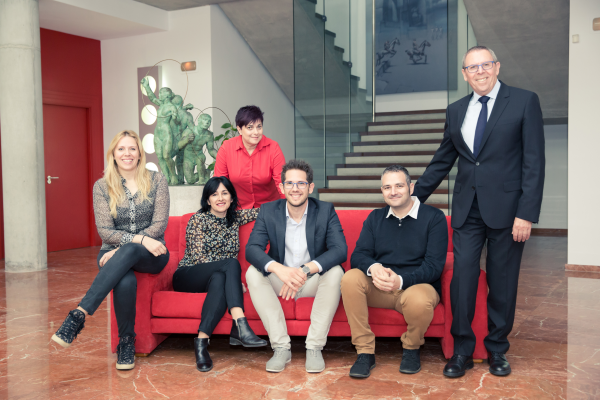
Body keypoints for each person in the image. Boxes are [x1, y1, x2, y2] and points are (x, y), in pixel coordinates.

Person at [413, 45, 545, 378]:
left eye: (486, 65)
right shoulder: (456, 110)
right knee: (463, 280)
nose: (480, 71)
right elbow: (443, 159)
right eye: (473, 67)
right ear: (464, 74)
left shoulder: (524, 101)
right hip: (467, 210)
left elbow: (534, 162)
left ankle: (497, 349)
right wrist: (413, 198)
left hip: (509, 212)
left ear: (497, 67)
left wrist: (526, 213)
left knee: (502, 281)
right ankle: (462, 350)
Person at [51, 130, 170, 371]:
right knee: (124, 280)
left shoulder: (157, 180)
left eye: (132, 148)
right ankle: (126, 343)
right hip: (112, 250)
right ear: (113, 154)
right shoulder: (102, 186)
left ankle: (79, 314)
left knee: (131, 251)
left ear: (140, 153)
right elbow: (105, 231)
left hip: (153, 253)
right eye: (121, 149)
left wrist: (128, 247)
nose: (127, 154)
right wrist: (134, 241)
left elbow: (159, 225)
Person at [341, 165, 447, 378]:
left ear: (411, 187)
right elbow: (359, 255)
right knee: (350, 278)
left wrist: (400, 281)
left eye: (399, 186)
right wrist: (374, 267)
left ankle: (411, 348)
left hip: (415, 287)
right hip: (379, 288)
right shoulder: (375, 218)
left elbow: (434, 267)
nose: (393, 192)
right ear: (382, 191)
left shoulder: (434, 217)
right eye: (387, 187)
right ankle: (364, 352)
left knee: (420, 300)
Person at [245, 159, 347, 373]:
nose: (295, 188)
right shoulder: (268, 211)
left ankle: (314, 347)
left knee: (337, 272)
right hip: (281, 281)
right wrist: (280, 270)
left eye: (301, 183)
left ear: (310, 187)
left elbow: (340, 250)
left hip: (312, 281)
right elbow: (252, 249)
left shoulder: (325, 210)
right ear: (281, 188)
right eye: (290, 183)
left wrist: (304, 270)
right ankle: (281, 348)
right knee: (253, 273)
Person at [173, 176, 267, 372]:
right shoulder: (198, 219)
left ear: (232, 198)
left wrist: (291, 200)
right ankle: (241, 325)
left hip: (216, 277)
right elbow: (199, 258)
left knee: (220, 278)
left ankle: (201, 343)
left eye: (225, 193)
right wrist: (232, 280)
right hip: (188, 275)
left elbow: (263, 211)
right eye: (214, 194)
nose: (220, 198)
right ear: (208, 200)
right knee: (230, 264)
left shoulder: (234, 219)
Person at [214, 105, 285, 209]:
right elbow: (219, 183)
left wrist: (286, 210)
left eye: (259, 127)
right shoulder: (226, 148)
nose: (256, 132)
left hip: (269, 209)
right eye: (250, 127)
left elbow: (282, 182)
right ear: (239, 129)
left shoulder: (273, 148)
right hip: (238, 210)